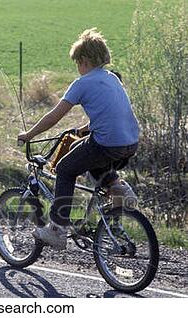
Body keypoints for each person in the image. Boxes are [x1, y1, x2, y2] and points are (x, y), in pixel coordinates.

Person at [17, 28, 139, 249]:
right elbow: (111, 113)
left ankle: (57, 229)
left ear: (83, 60)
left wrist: (29, 134)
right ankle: (120, 191)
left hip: (107, 143)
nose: (77, 68)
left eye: (77, 63)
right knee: (91, 158)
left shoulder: (82, 83)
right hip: (130, 142)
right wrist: (85, 128)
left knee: (65, 168)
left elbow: (54, 116)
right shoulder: (112, 78)